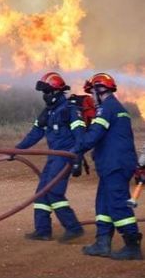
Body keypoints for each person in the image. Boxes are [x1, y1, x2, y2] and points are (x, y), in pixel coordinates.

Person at [73, 73, 142, 260]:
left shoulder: (107, 109)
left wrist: (78, 126)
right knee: (103, 203)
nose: (91, 98)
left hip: (115, 164)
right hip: (113, 164)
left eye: (91, 93)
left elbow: (93, 136)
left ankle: (132, 245)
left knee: (118, 204)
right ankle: (102, 243)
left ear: (99, 90)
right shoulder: (115, 108)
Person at [11, 72, 84, 242]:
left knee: (54, 191)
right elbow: (35, 133)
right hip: (53, 157)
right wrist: (17, 149)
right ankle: (43, 231)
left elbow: (80, 136)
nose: (45, 96)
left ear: (57, 92)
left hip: (65, 156)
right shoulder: (48, 112)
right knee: (42, 192)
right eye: (44, 92)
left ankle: (73, 228)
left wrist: (77, 158)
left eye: (48, 92)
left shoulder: (70, 110)